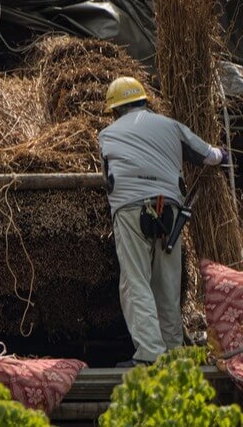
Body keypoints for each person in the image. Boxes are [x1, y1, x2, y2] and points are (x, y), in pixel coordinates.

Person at [98, 76, 228, 367]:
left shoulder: (106, 135)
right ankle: (172, 353)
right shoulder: (170, 125)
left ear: (116, 110)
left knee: (136, 282)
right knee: (167, 284)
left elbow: (107, 175)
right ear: (144, 100)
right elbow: (208, 155)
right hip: (169, 209)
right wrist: (224, 154)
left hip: (131, 210)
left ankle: (149, 354)